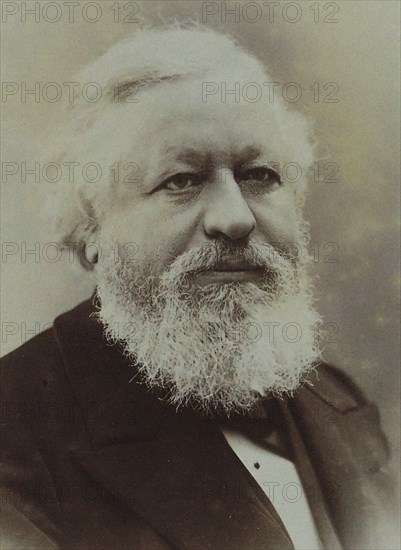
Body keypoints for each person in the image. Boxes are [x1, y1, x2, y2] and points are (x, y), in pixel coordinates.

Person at [0, 26, 395, 550]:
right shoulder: (15, 431)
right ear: (91, 227)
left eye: (260, 175)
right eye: (181, 180)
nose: (235, 219)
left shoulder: (338, 400)